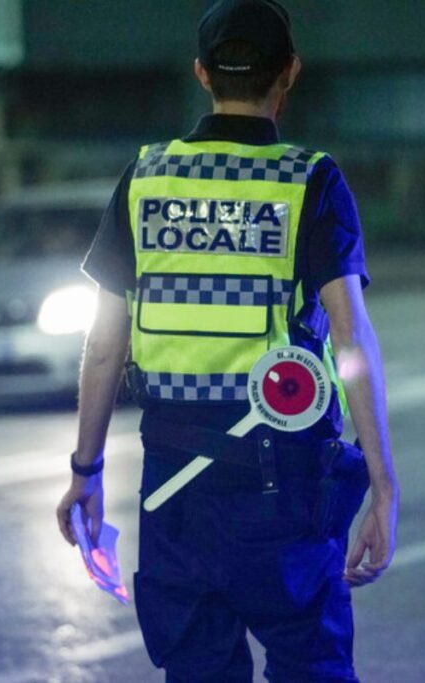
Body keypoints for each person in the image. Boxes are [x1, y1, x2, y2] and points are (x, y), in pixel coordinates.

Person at [56, 1, 399, 680]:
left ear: (201, 74)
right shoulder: (311, 181)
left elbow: (103, 345)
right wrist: (384, 484)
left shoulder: (147, 178)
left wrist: (86, 471)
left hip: (174, 488)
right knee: (311, 665)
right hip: (284, 488)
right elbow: (350, 335)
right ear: (289, 74)